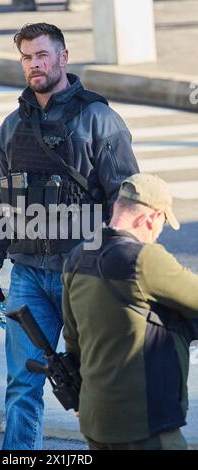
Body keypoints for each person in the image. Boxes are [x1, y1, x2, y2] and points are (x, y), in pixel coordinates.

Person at [0, 22, 139, 450]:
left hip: (83, 274)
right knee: (22, 385)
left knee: (92, 386)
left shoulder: (100, 119)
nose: (35, 65)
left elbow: (127, 202)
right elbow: (1, 204)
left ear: (63, 58)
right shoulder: (11, 127)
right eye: (27, 57)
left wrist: (123, 270)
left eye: (43, 55)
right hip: (27, 274)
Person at [62, 173, 198, 450]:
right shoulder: (144, 258)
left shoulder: (78, 257)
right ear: (151, 217)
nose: (159, 233)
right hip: (143, 422)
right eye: (162, 223)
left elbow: (72, 337)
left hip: (96, 418)